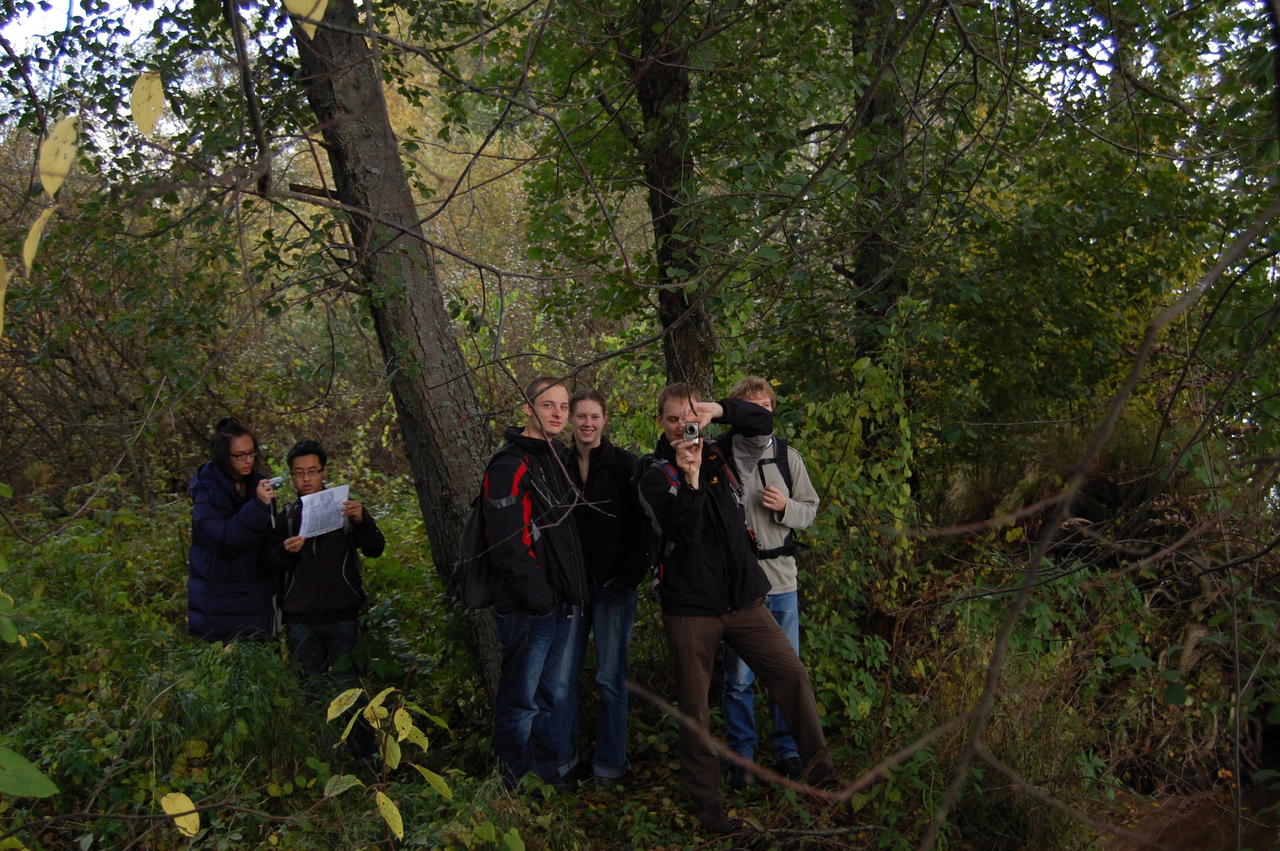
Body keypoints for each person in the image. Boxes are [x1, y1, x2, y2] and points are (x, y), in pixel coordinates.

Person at [637, 382, 833, 833]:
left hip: (743, 600)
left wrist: (719, 410)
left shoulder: (724, 457)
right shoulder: (651, 475)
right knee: (696, 711)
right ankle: (710, 813)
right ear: (660, 423)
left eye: (689, 416)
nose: (683, 425)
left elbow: (763, 421)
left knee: (791, 675)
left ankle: (823, 776)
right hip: (690, 610)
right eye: (673, 418)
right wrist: (687, 481)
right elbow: (680, 533)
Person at [485, 376, 588, 790]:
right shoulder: (509, 465)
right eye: (548, 406)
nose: (558, 414)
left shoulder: (559, 459)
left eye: (563, 406)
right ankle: (513, 787)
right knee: (520, 702)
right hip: (530, 607)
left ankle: (547, 781)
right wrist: (540, 597)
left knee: (549, 698)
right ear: (528, 409)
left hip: (560, 603)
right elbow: (508, 543)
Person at [719, 377, 820, 787]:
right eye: (751, 406)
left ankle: (789, 751)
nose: (761, 412)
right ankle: (743, 756)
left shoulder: (786, 456)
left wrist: (785, 508)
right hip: (738, 587)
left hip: (781, 582)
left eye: (766, 405)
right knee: (738, 678)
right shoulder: (718, 456)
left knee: (786, 672)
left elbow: (810, 511)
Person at [554, 388, 649, 788]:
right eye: (581, 417)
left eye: (594, 417)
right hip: (571, 592)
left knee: (611, 679)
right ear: (571, 421)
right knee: (560, 682)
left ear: (605, 419)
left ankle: (610, 766)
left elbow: (646, 530)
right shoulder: (556, 465)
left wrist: (627, 576)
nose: (587, 424)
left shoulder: (626, 465)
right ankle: (563, 763)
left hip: (613, 591)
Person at [268, 439, 386, 760]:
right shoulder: (287, 516)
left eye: (313, 472)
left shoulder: (345, 509)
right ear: (291, 476)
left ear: (324, 472)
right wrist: (283, 551)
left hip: (341, 616)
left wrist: (363, 519)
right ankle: (326, 757)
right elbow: (266, 564)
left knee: (350, 690)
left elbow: (375, 548)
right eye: (299, 473)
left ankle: (366, 756)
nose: (306, 479)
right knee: (314, 690)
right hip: (301, 619)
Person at [186, 417, 279, 642]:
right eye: (240, 455)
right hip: (218, 602)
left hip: (256, 596)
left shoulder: (256, 484)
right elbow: (223, 540)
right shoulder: (205, 492)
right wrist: (258, 506)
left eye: (251, 452)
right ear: (223, 457)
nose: (248, 460)